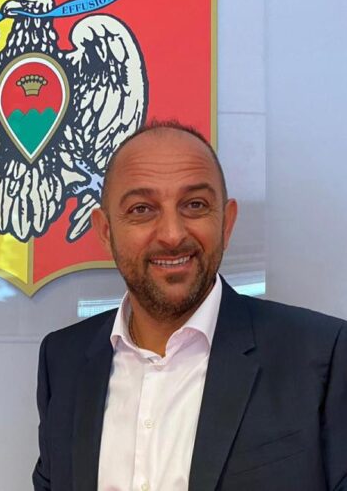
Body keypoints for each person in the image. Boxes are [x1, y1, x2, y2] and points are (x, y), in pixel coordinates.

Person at [32, 120, 347, 491]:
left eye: (195, 205)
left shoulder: (323, 354)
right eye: (141, 209)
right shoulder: (62, 360)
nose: (172, 234)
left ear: (226, 223)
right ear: (105, 230)